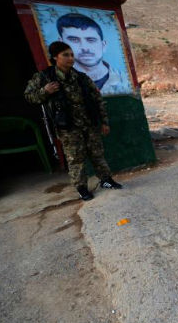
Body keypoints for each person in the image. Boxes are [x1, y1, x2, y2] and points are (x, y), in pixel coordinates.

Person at [24, 41, 123, 200]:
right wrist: (45, 91)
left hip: (89, 124)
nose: (70, 58)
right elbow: (29, 97)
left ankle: (106, 180)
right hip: (68, 128)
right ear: (55, 57)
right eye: (66, 55)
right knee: (75, 159)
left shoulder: (81, 78)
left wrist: (104, 122)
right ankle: (82, 188)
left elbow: (98, 100)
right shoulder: (44, 78)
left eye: (71, 55)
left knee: (97, 154)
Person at [56, 13, 126, 93]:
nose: (85, 48)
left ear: (103, 45)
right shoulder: (57, 83)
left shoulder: (125, 80)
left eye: (91, 40)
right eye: (74, 40)